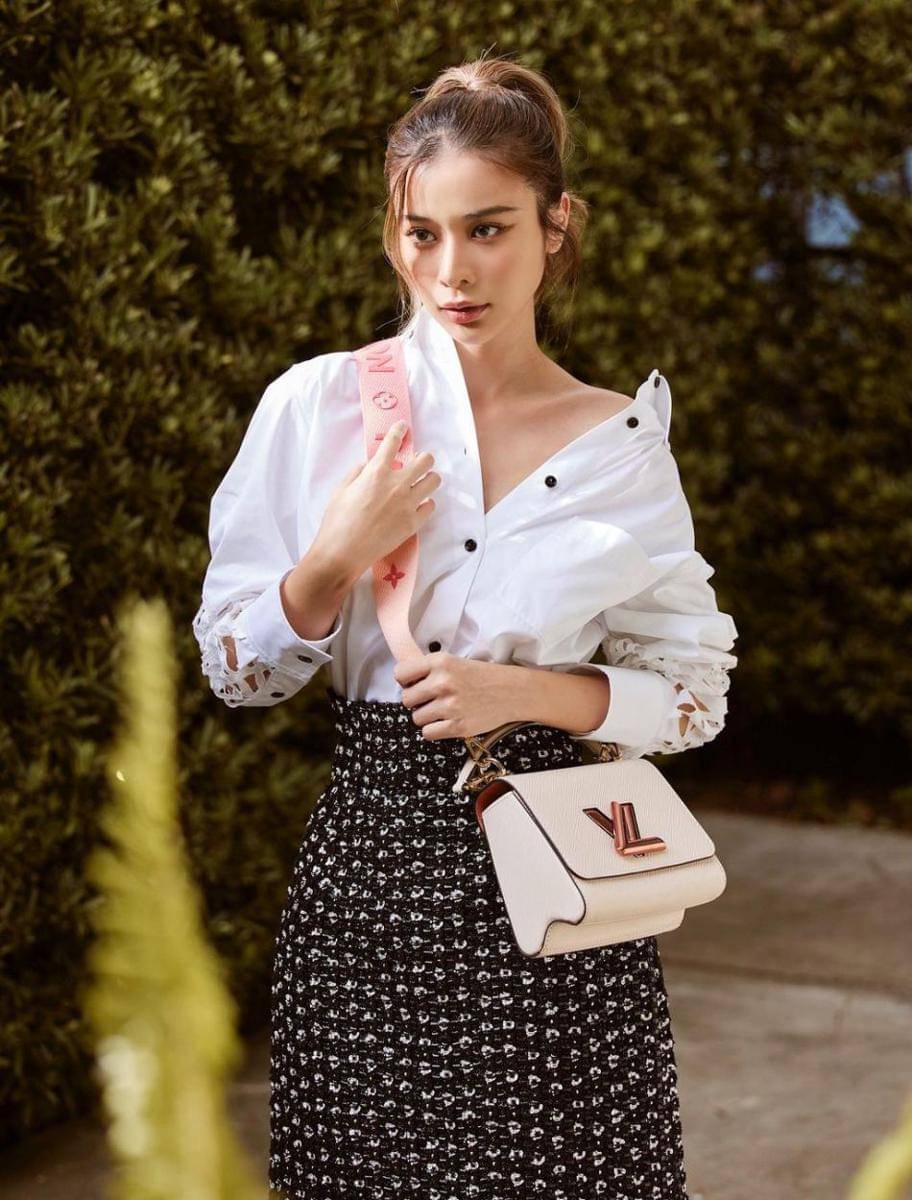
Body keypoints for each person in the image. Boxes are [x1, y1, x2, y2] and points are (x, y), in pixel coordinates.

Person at [192, 52, 738, 1200]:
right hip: (372, 885)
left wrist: (526, 695)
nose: (453, 270)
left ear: (555, 225)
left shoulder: (620, 445)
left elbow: (693, 694)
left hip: (566, 892)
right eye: (422, 234)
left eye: (488, 229)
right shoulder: (321, 408)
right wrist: (335, 556)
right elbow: (236, 670)